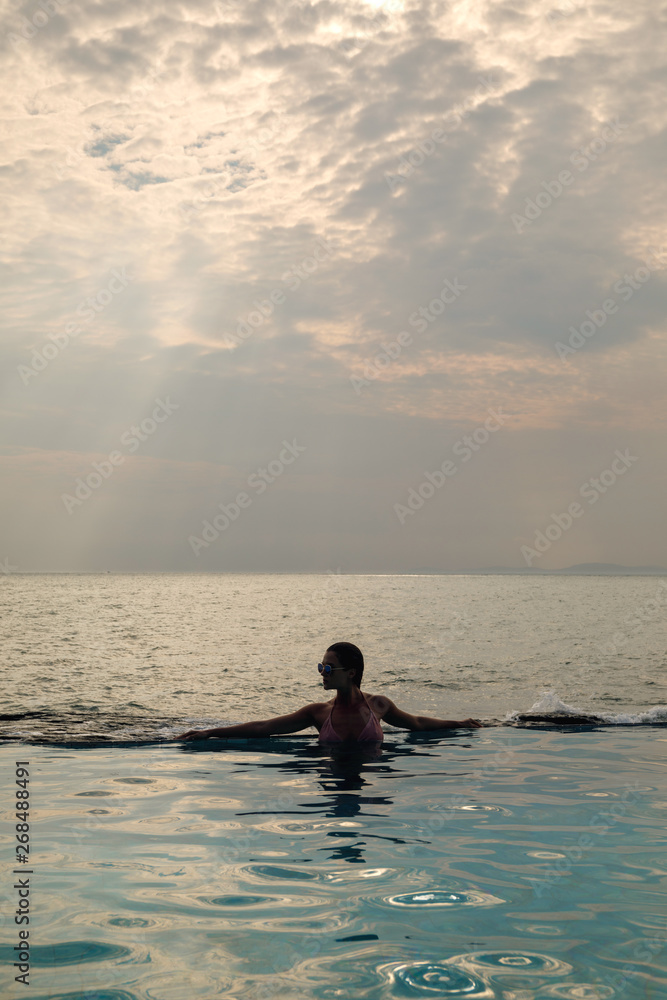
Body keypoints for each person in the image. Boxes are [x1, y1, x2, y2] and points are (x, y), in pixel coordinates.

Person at [175, 641, 482, 742]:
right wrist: (211, 732)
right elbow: (265, 728)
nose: (321, 674)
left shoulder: (379, 706)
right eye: (320, 667)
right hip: (329, 784)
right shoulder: (318, 713)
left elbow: (416, 724)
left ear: (350, 673)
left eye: (327, 668)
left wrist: (459, 724)